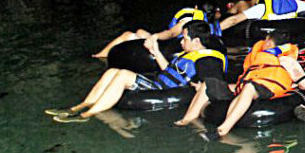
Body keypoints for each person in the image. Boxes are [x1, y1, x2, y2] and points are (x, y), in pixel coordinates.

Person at [47, 21, 227, 122]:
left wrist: (198, 86)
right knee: (112, 72)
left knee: (123, 75)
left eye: (185, 39)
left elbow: (212, 81)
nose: (181, 42)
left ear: (196, 41)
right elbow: (169, 70)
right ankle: (79, 107)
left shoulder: (206, 58)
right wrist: (156, 51)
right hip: (160, 81)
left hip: (162, 88)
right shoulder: (186, 54)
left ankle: (86, 115)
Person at [175, 30, 305, 137]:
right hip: (247, 85)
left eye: (266, 41)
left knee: (249, 88)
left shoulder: (286, 60)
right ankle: (187, 119)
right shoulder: (259, 57)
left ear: (270, 42)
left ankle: (223, 129)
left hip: (267, 88)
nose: (263, 43)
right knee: (209, 84)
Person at [91, 0, 220, 59]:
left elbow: (172, 33)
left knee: (129, 35)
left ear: (196, 7)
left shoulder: (189, 18)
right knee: (141, 31)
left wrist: (155, 37)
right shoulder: (210, 22)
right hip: (179, 45)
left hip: (172, 46)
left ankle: (100, 56)